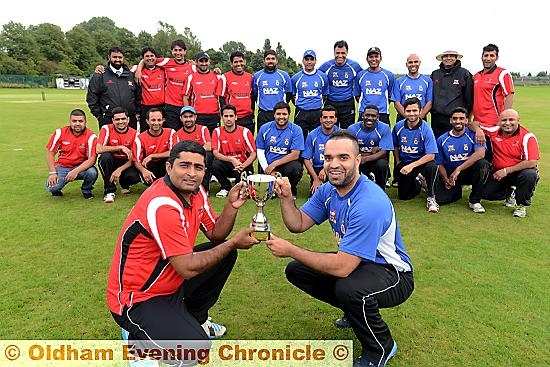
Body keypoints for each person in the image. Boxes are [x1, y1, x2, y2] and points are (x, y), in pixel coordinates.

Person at [266, 130, 414, 367]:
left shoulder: (369, 203)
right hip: (360, 264)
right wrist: (287, 199)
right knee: (298, 270)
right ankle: (355, 311)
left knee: (348, 288)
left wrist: (291, 249)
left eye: (343, 158)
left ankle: (381, 347)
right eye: (328, 158)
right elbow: (298, 223)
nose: (334, 164)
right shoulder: (329, 190)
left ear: (357, 161)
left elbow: (343, 267)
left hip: (393, 273)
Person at [106, 140, 259, 366]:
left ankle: (195, 319)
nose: (191, 173)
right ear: (169, 168)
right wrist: (234, 242)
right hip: (138, 298)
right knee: (193, 351)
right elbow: (187, 267)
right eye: (184, 165)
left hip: (171, 282)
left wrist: (231, 206)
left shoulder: (197, 193)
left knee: (224, 254)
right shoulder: (162, 204)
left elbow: (215, 234)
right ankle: (137, 337)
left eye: (198, 168)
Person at [482, 109, 539, 217]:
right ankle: (510, 192)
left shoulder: (527, 137)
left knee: (530, 175)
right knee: (485, 192)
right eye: (504, 120)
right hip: (499, 173)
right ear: (499, 121)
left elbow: (532, 162)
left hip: (520, 173)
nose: (507, 123)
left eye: (511, 120)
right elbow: (475, 125)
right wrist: (479, 131)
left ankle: (521, 205)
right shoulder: (494, 131)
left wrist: (506, 170)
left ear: (518, 120)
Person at [434, 107, 490, 213]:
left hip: (468, 173)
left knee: (483, 164)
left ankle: (475, 201)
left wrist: (459, 169)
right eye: (455, 118)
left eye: (461, 118)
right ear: (450, 121)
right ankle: (456, 190)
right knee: (440, 200)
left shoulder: (475, 135)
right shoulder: (442, 139)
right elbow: (439, 162)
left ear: (466, 120)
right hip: (452, 176)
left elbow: (480, 153)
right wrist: (446, 178)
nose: (458, 121)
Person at [135, 39, 197, 131]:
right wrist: (139, 70)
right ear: (172, 51)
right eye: (175, 50)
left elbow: (204, 72)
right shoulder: (166, 62)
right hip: (170, 106)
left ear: (185, 51)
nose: (178, 53)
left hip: (187, 105)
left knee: (186, 132)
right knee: (171, 133)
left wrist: (217, 72)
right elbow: (148, 60)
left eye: (180, 50)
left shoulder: (192, 67)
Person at [393, 97, 439, 212]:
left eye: (414, 111)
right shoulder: (398, 126)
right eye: (408, 111)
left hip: (421, 163)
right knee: (404, 196)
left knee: (432, 166)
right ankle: (418, 181)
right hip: (406, 163)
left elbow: (431, 155)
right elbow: (395, 146)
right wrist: (398, 162)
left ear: (420, 111)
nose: (412, 114)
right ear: (404, 111)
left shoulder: (426, 129)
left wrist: (412, 166)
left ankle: (431, 197)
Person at [45, 109, 98, 199]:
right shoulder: (59, 132)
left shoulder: (91, 136)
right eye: (74, 121)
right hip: (62, 167)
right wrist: (53, 173)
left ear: (85, 122)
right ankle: (57, 189)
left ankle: (86, 190)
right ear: (70, 121)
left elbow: (92, 160)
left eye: (80, 121)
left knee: (92, 172)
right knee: (52, 188)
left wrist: (75, 171)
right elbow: (50, 153)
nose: (77, 124)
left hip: (81, 167)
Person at [255, 102, 304, 198]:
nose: (281, 117)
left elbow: (295, 154)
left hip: (285, 165)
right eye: (278, 114)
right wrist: (267, 168)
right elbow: (260, 151)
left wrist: (275, 164)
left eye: (284, 114)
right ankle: (272, 189)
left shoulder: (296, 130)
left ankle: (291, 189)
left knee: (296, 168)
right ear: (274, 115)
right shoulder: (265, 128)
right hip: (268, 166)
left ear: (289, 115)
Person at [86, 46, 141, 129]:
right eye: (115, 57)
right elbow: (92, 97)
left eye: (120, 57)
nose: (117, 60)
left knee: (129, 142)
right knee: (108, 142)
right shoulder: (100, 75)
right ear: (109, 57)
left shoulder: (131, 75)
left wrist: (137, 113)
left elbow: (138, 96)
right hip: (108, 119)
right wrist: (98, 116)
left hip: (129, 119)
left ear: (123, 58)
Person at [96, 107, 141, 203]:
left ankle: (124, 183)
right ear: (113, 120)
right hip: (111, 161)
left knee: (134, 177)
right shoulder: (106, 129)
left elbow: (134, 157)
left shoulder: (135, 134)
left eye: (123, 119)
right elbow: (98, 149)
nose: (121, 122)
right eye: (117, 119)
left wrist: (119, 170)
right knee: (105, 157)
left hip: (125, 163)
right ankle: (109, 191)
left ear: (128, 119)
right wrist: (120, 147)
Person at [211, 104, 257, 198]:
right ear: (221, 117)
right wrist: (232, 160)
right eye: (226, 116)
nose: (228, 119)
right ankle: (225, 187)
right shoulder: (217, 132)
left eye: (231, 116)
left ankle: (239, 182)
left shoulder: (245, 132)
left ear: (236, 117)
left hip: (242, 165)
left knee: (241, 190)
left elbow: (253, 153)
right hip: (227, 165)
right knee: (215, 164)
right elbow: (215, 153)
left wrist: (243, 165)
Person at [472, 43, 515, 139]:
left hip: (493, 124)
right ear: (482, 57)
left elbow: (509, 95)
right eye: (486, 55)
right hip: (478, 124)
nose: (488, 58)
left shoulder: (503, 73)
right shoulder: (476, 76)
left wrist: (502, 120)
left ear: (497, 57)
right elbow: (473, 99)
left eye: (492, 55)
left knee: (495, 154)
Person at [318, 40, 363, 129]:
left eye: (343, 53)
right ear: (334, 52)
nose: (340, 55)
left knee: (347, 132)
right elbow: (316, 77)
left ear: (347, 53)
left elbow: (364, 77)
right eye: (337, 53)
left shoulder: (354, 66)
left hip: (348, 103)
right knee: (330, 131)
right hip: (331, 103)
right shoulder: (326, 66)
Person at [347, 105, 393, 191]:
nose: (370, 118)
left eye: (373, 116)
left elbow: (384, 151)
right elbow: (348, 149)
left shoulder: (384, 128)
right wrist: (367, 155)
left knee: (382, 164)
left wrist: (366, 158)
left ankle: (381, 189)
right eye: (367, 115)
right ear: (362, 115)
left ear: (378, 117)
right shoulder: (352, 129)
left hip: (374, 160)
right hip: (358, 160)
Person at [430, 50, 473, 138]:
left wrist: (466, 117)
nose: (448, 58)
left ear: (456, 58)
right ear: (442, 58)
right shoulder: (435, 74)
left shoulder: (464, 74)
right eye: (446, 56)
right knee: (438, 145)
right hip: (437, 119)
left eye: (451, 56)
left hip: (456, 119)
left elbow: (469, 99)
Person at [171, 106, 214, 193]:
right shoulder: (177, 134)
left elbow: (209, 146)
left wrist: (192, 153)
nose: (188, 119)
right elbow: (176, 151)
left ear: (195, 117)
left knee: (208, 156)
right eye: (185, 117)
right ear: (181, 118)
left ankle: (204, 188)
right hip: (185, 160)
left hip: (200, 158)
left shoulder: (203, 129)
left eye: (190, 116)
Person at [291, 50, 329, 141]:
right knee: (300, 139)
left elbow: (324, 95)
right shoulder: (296, 78)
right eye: (307, 59)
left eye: (311, 59)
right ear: (303, 61)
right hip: (301, 112)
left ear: (315, 61)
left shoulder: (322, 77)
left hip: (317, 112)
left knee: (316, 139)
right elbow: (292, 96)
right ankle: (300, 156)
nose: (309, 62)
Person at [302, 105, 340, 194]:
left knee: (336, 193)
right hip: (318, 170)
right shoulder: (312, 135)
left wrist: (326, 169)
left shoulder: (341, 135)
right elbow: (306, 159)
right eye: (325, 117)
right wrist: (315, 179)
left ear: (335, 119)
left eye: (331, 117)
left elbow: (344, 157)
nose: (328, 120)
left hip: (336, 167)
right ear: (320, 119)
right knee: (317, 196)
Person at [133, 108, 176, 185]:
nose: (156, 123)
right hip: (150, 166)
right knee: (131, 176)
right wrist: (143, 171)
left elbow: (174, 152)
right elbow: (136, 160)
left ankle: (170, 181)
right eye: (153, 120)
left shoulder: (171, 132)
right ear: (147, 121)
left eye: (159, 120)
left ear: (163, 120)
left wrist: (152, 156)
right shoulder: (140, 138)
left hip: (164, 164)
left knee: (172, 160)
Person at [183, 52, 222, 134]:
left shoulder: (217, 76)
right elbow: (186, 97)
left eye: (206, 61)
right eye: (201, 61)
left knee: (213, 141)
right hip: (198, 116)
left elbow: (221, 97)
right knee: (197, 142)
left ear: (209, 62)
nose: (204, 64)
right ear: (196, 62)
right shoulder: (191, 77)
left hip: (214, 116)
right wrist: (189, 114)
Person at [252, 50, 292, 129]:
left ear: (276, 61)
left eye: (273, 59)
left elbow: (288, 94)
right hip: (264, 113)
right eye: (268, 59)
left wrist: (281, 107)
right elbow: (255, 94)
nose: (270, 61)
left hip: (280, 114)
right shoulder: (257, 76)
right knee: (263, 137)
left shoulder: (284, 75)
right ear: (264, 61)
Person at [354, 47, 395, 125]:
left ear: (380, 58)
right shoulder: (360, 75)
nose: (373, 59)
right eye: (371, 57)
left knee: (383, 136)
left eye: (376, 56)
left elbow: (389, 96)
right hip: (364, 112)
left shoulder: (388, 75)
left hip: (382, 113)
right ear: (367, 59)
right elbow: (357, 96)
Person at [219, 51, 255, 133]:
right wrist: (227, 115)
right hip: (233, 118)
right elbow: (221, 98)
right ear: (231, 64)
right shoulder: (224, 77)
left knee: (248, 142)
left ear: (244, 62)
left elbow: (253, 97)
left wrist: (252, 112)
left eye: (241, 61)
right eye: (235, 62)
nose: (239, 64)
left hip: (248, 117)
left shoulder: (250, 77)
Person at [392, 54, 433, 123]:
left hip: (421, 118)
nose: (413, 64)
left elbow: (429, 102)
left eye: (416, 62)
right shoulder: (399, 81)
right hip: (403, 118)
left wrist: (419, 118)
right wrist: (409, 117)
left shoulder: (427, 81)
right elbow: (397, 103)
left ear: (419, 63)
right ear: (406, 64)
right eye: (410, 62)